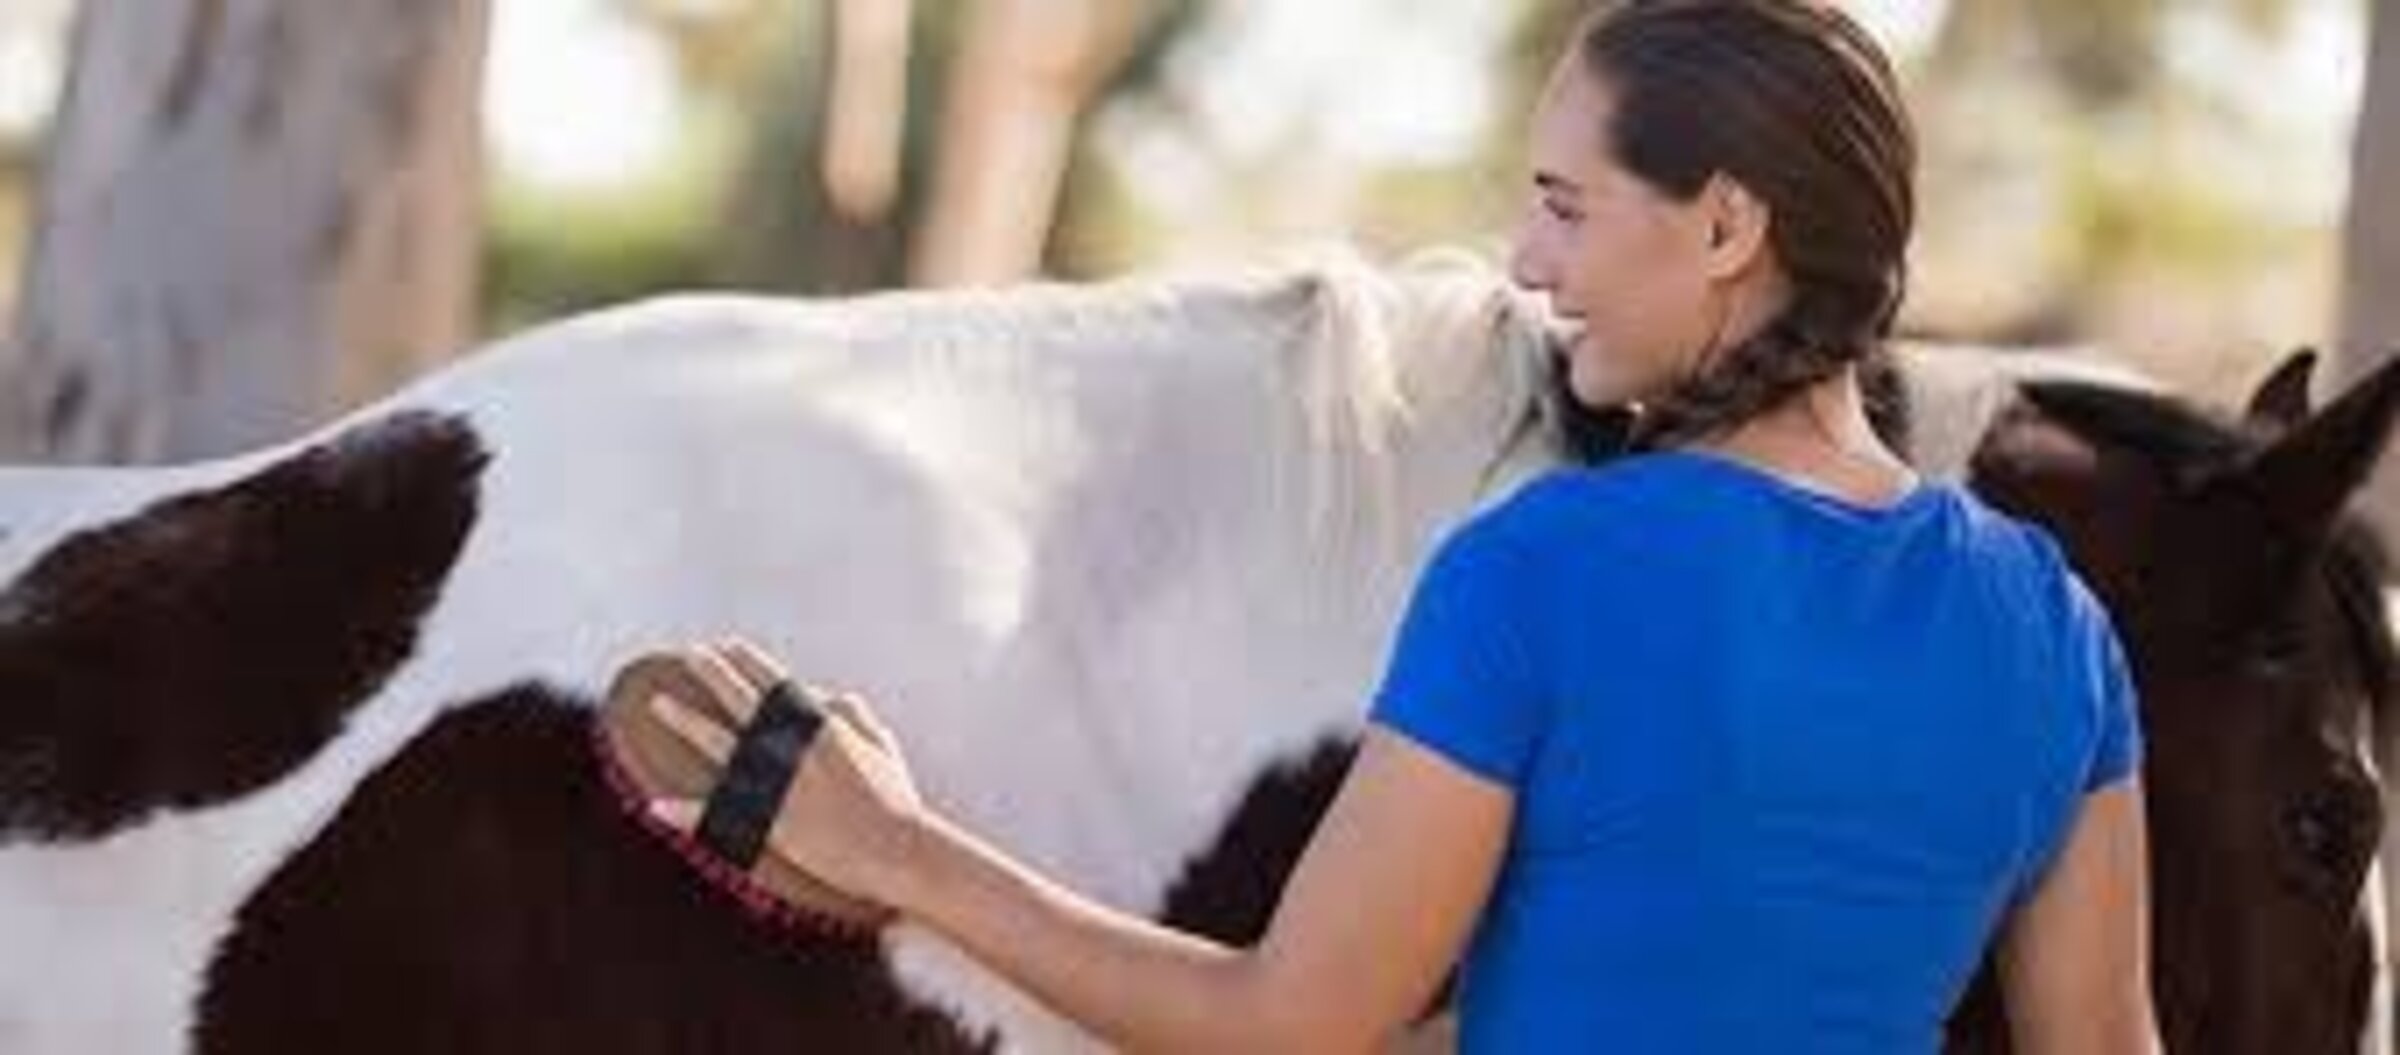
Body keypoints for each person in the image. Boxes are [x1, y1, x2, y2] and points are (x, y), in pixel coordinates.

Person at [642, 1, 2159, 1049]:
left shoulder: (1545, 570)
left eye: (1567, 206)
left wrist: (895, 849)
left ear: (1724, 226)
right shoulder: (2052, 627)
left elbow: (1290, 1023)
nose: (1526, 262)